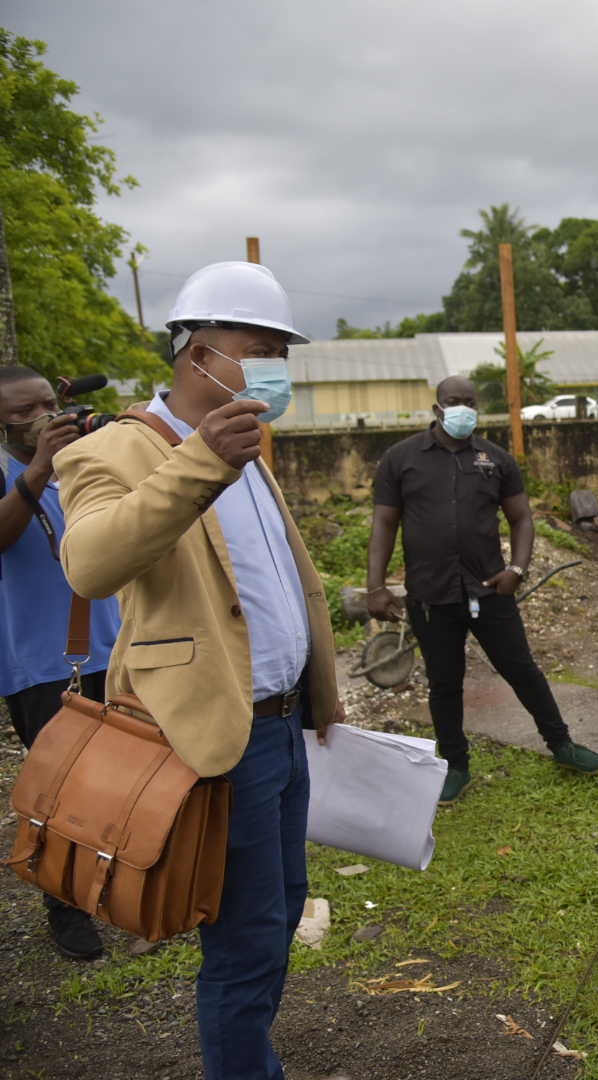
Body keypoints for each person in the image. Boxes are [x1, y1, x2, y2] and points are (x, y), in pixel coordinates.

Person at [54, 261, 342, 1079]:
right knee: (245, 943)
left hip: (282, 727)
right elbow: (89, 564)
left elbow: (281, 580)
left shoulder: (246, 441)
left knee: (277, 916)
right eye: (259, 347)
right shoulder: (114, 450)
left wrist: (322, 693)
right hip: (220, 736)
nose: (274, 366)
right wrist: (200, 461)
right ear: (197, 351)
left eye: (281, 350)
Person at [366, 375, 598, 803]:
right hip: (431, 595)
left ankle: (562, 744)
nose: (463, 408)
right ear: (437, 408)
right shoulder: (402, 459)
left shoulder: (495, 460)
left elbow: (522, 518)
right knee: (444, 683)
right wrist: (376, 586)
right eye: (454, 401)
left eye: (470, 401)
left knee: (521, 669)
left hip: (490, 589)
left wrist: (518, 567)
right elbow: (384, 523)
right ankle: (455, 765)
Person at [0, 366, 121, 960]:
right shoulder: (16, 474)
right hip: (41, 664)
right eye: (27, 411)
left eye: (49, 402)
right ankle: (64, 908)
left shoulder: (82, 460)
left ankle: (115, 886)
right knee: (59, 793)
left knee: (121, 779)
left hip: (112, 645)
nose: (44, 416)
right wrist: (36, 471)